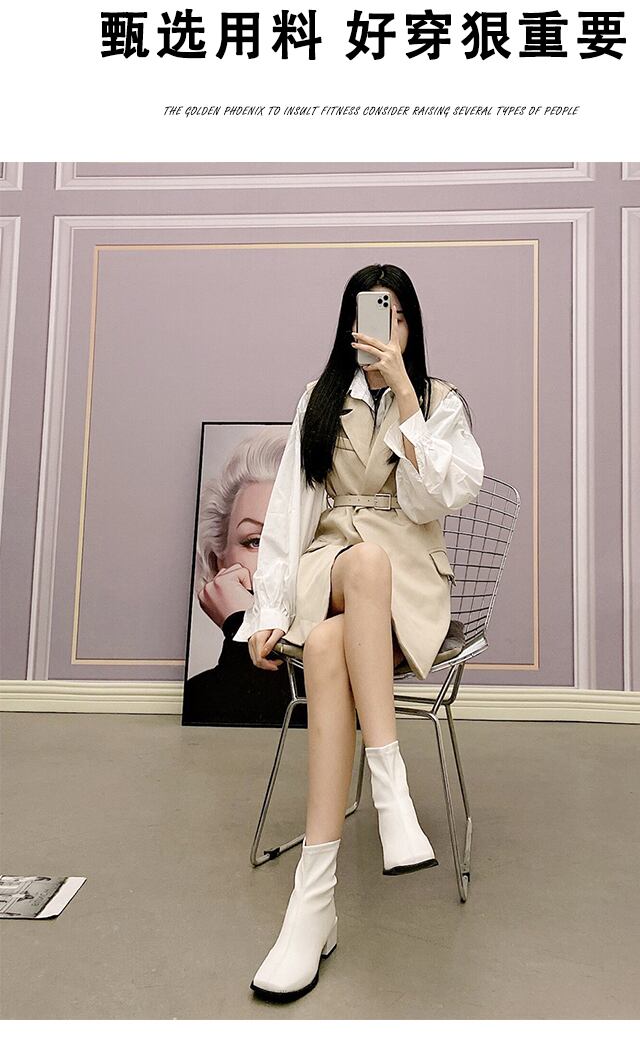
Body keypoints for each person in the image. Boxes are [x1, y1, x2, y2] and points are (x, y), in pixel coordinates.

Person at [234, 263, 484, 1001]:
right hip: (331, 566)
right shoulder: (318, 400)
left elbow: (439, 497)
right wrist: (268, 608)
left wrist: (405, 395)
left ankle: (312, 906)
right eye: (371, 314)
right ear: (350, 326)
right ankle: (390, 786)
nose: (384, 329)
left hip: (407, 578)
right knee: (360, 563)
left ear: (411, 326)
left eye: (396, 316)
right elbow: (290, 509)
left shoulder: (439, 401)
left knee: (328, 643)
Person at [182, 426, 308, 727]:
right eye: (255, 541)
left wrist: (237, 624)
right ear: (218, 562)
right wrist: (243, 631)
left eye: (294, 541)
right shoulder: (199, 697)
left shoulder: (347, 686)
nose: (273, 563)